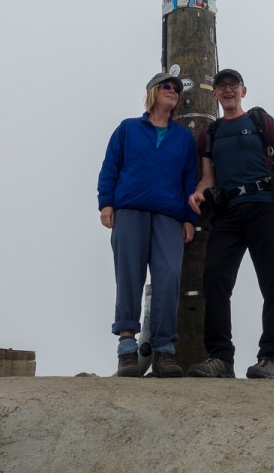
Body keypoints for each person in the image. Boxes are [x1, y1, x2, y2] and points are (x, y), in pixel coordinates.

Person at [186, 69, 274, 380]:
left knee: (273, 283)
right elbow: (208, 178)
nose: (228, 90)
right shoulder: (210, 134)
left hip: (266, 205)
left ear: (243, 90)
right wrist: (199, 193)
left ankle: (270, 358)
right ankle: (220, 357)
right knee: (215, 279)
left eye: (233, 85)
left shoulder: (260, 120)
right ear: (214, 94)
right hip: (228, 211)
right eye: (222, 86)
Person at [97, 72, 199, 377]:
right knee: (129, 276)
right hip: (129, 211)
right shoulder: (128, 129)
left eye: (177, 89)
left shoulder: (183, 138)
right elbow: (110, 167)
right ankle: (127, 349)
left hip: (169, 216)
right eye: (167, 86)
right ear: (153, 92)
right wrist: (106, 203)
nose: (173, 91)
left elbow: (190, 179)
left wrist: (189, 218)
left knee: (169, 275)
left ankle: (164, 350)